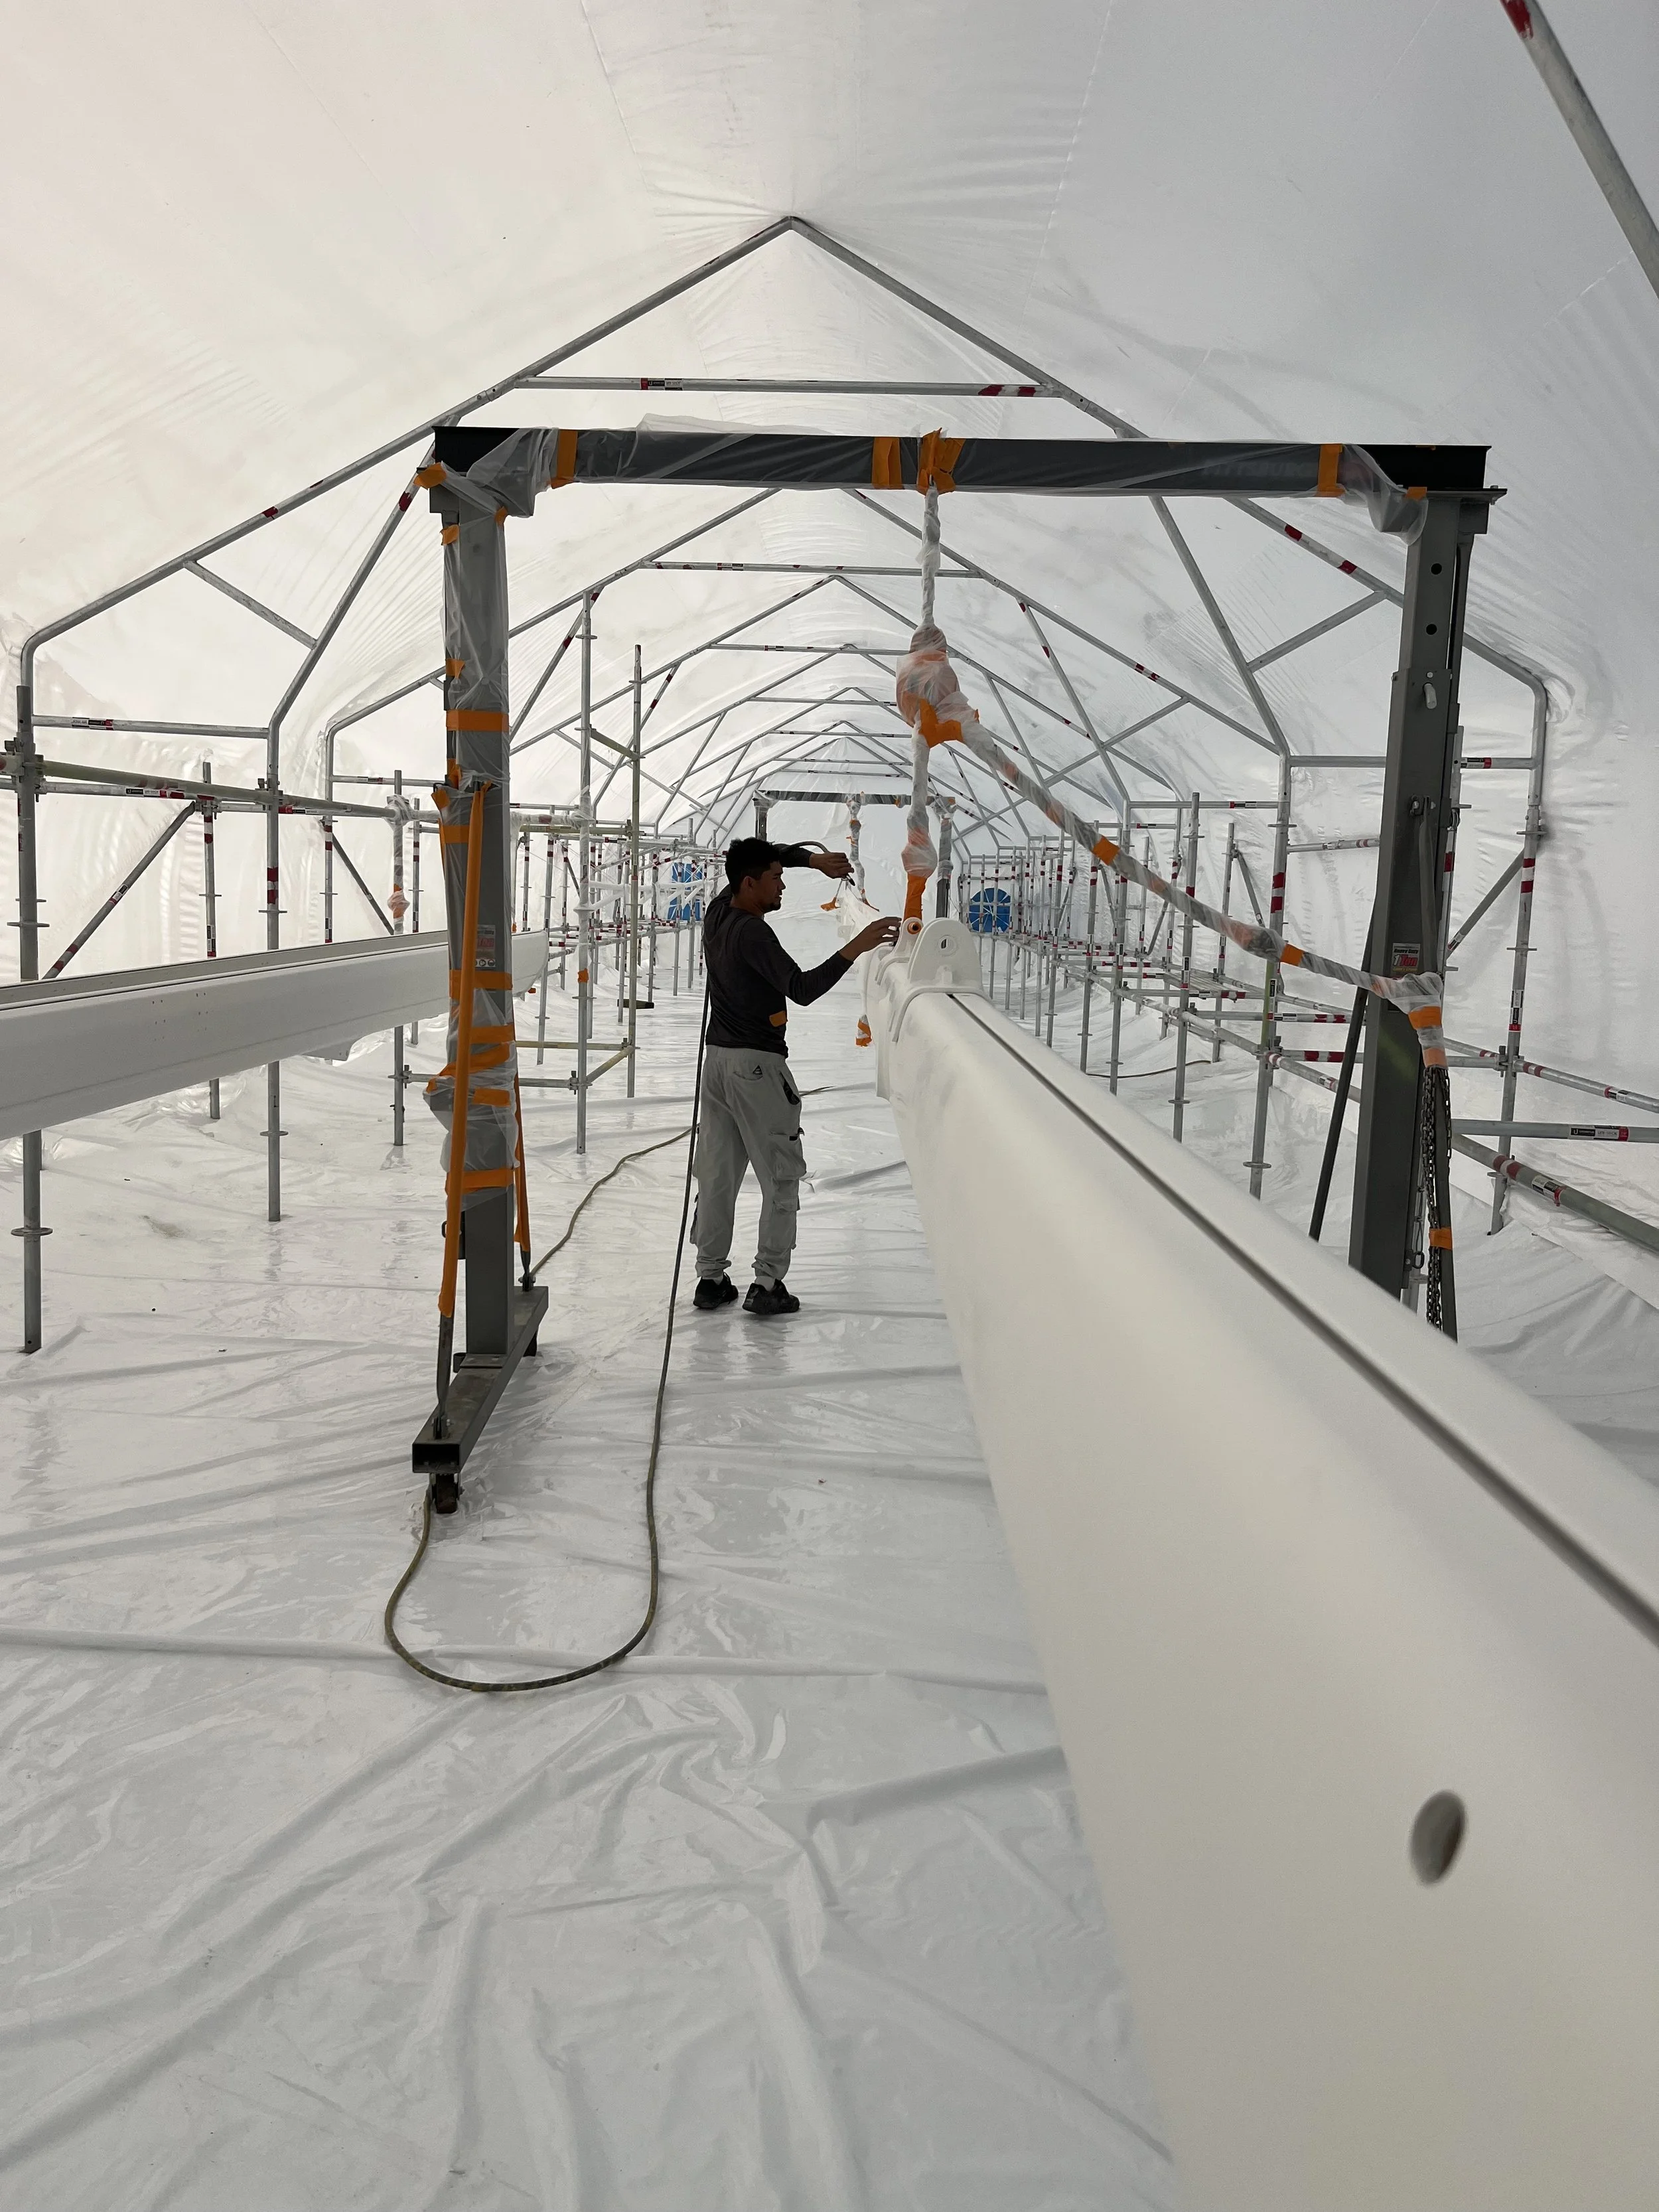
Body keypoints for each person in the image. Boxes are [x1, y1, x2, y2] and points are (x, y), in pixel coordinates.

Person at [692, 838, 899, 1316]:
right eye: (775, 877)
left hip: (718, 1064)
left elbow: (761, 852)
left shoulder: (719, 913)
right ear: (750, 883)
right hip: (756, 1069)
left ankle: (710, 1278)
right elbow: (801, 989)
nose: (783, 881)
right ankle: (767, 1284)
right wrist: (858, 945)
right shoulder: (753, 935)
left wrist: (811, 861)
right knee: (781, 1177)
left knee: (719, 1173)